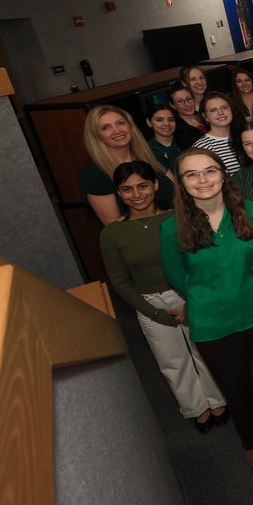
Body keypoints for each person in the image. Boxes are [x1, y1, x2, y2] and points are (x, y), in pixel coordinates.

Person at [160, 148, 253, 469]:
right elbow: (177, 276)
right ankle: (252, 437)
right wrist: (206, 297)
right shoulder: (171, 229)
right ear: (181, 183)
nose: (202, 179)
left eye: (209, 171)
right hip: (212, 320)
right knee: (236, 387)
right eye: (191, 174)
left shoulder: (250, 211)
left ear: (223, 174)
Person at [100, 160, 225, 432]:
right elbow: (119, 281)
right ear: (119, 194)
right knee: (172, 361)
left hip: (191, 294)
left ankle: (218, 400)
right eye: (128, 189)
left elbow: (200, 262)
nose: (137, 194)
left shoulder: (179, 218)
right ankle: (196, 408)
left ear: (155, 185)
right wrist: (153, 313)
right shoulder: (112, 233)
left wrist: (192, 301)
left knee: (204, 351)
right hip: (150, 303)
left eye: (143, 186)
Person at [80, 104, 174, 225]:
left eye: (121, 123)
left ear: (130, 126)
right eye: (106, 127)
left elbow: (179, 197)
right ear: (96, 136)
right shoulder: (96, 176)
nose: (117, 130)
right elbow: (115, 228)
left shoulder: (154, 157)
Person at [191, 91, 244, 174]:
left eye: (224, 107)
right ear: (205, 116)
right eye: (213, 110)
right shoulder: (201, 147)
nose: (220, 113)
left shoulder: (244, 136)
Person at [146, 104, 185, 170]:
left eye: (171, 120)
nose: (167, 124)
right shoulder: (147, 150)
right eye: (159, 120)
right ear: (149, 122)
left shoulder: (187, 141)